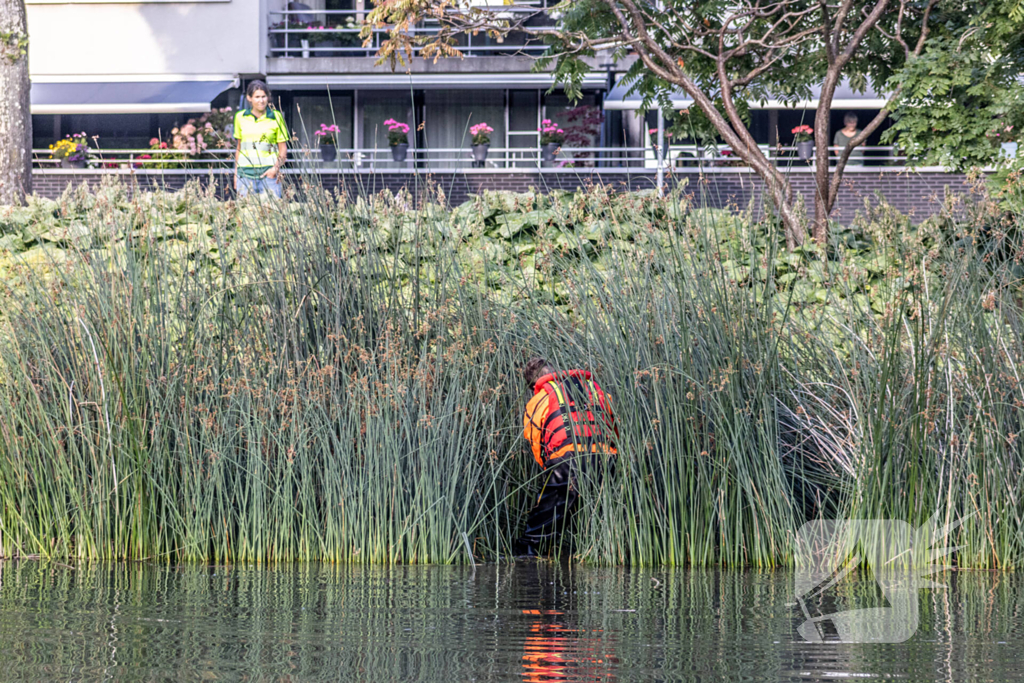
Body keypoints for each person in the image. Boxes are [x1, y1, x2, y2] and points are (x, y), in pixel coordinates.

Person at [515, 357, 617, 556]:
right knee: (598, 515)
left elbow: (536, 442)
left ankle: (527, 557)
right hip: (606, 457)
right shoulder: (595, 390)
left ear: (533, 385)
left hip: (567, 462)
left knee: (543, 522)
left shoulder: (540, 398)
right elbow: (613, 425)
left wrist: (548, 469)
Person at [233, 80, 289, 199]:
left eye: (263, 96)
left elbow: (283, 149)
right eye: (257, 97)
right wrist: (236, 174)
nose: (261, 100)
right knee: (244, 210)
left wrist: (275, 169)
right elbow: (239, 148)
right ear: (249, 98)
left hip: (269, 176)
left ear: (268, 97)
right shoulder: (240, 117)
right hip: (245, 175)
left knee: (272, 210)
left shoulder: (276, 117)